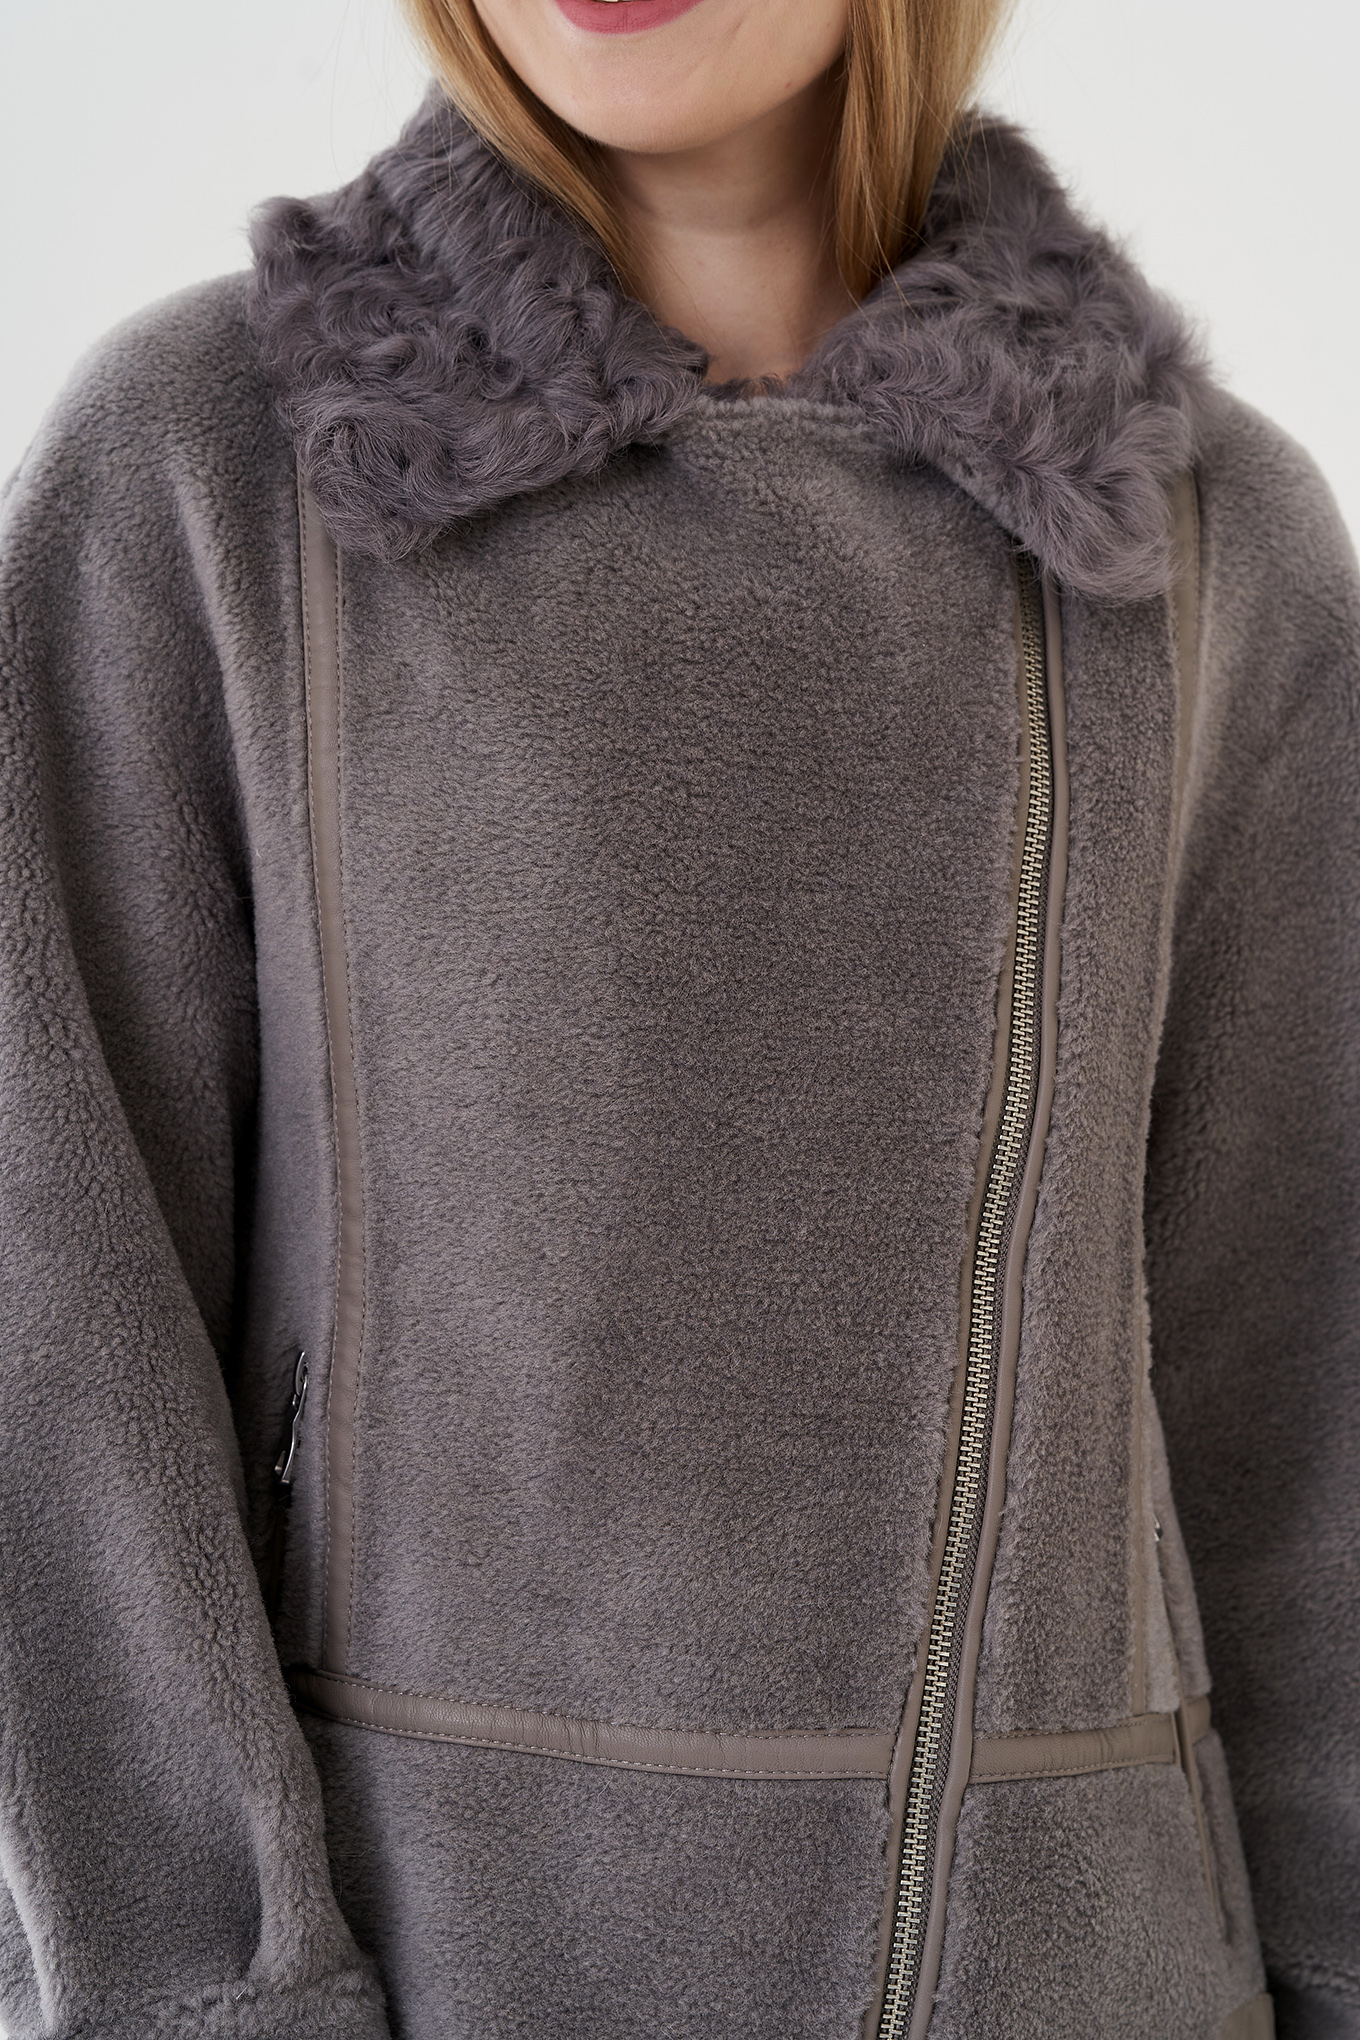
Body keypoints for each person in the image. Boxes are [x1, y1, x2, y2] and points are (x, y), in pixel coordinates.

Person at [0, 0, 1355, 2032]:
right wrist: (204, 1990)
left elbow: (1300, 1392)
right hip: (436, 1968)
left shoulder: (1202, 534)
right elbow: (55, 1329)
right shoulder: (208, 467)